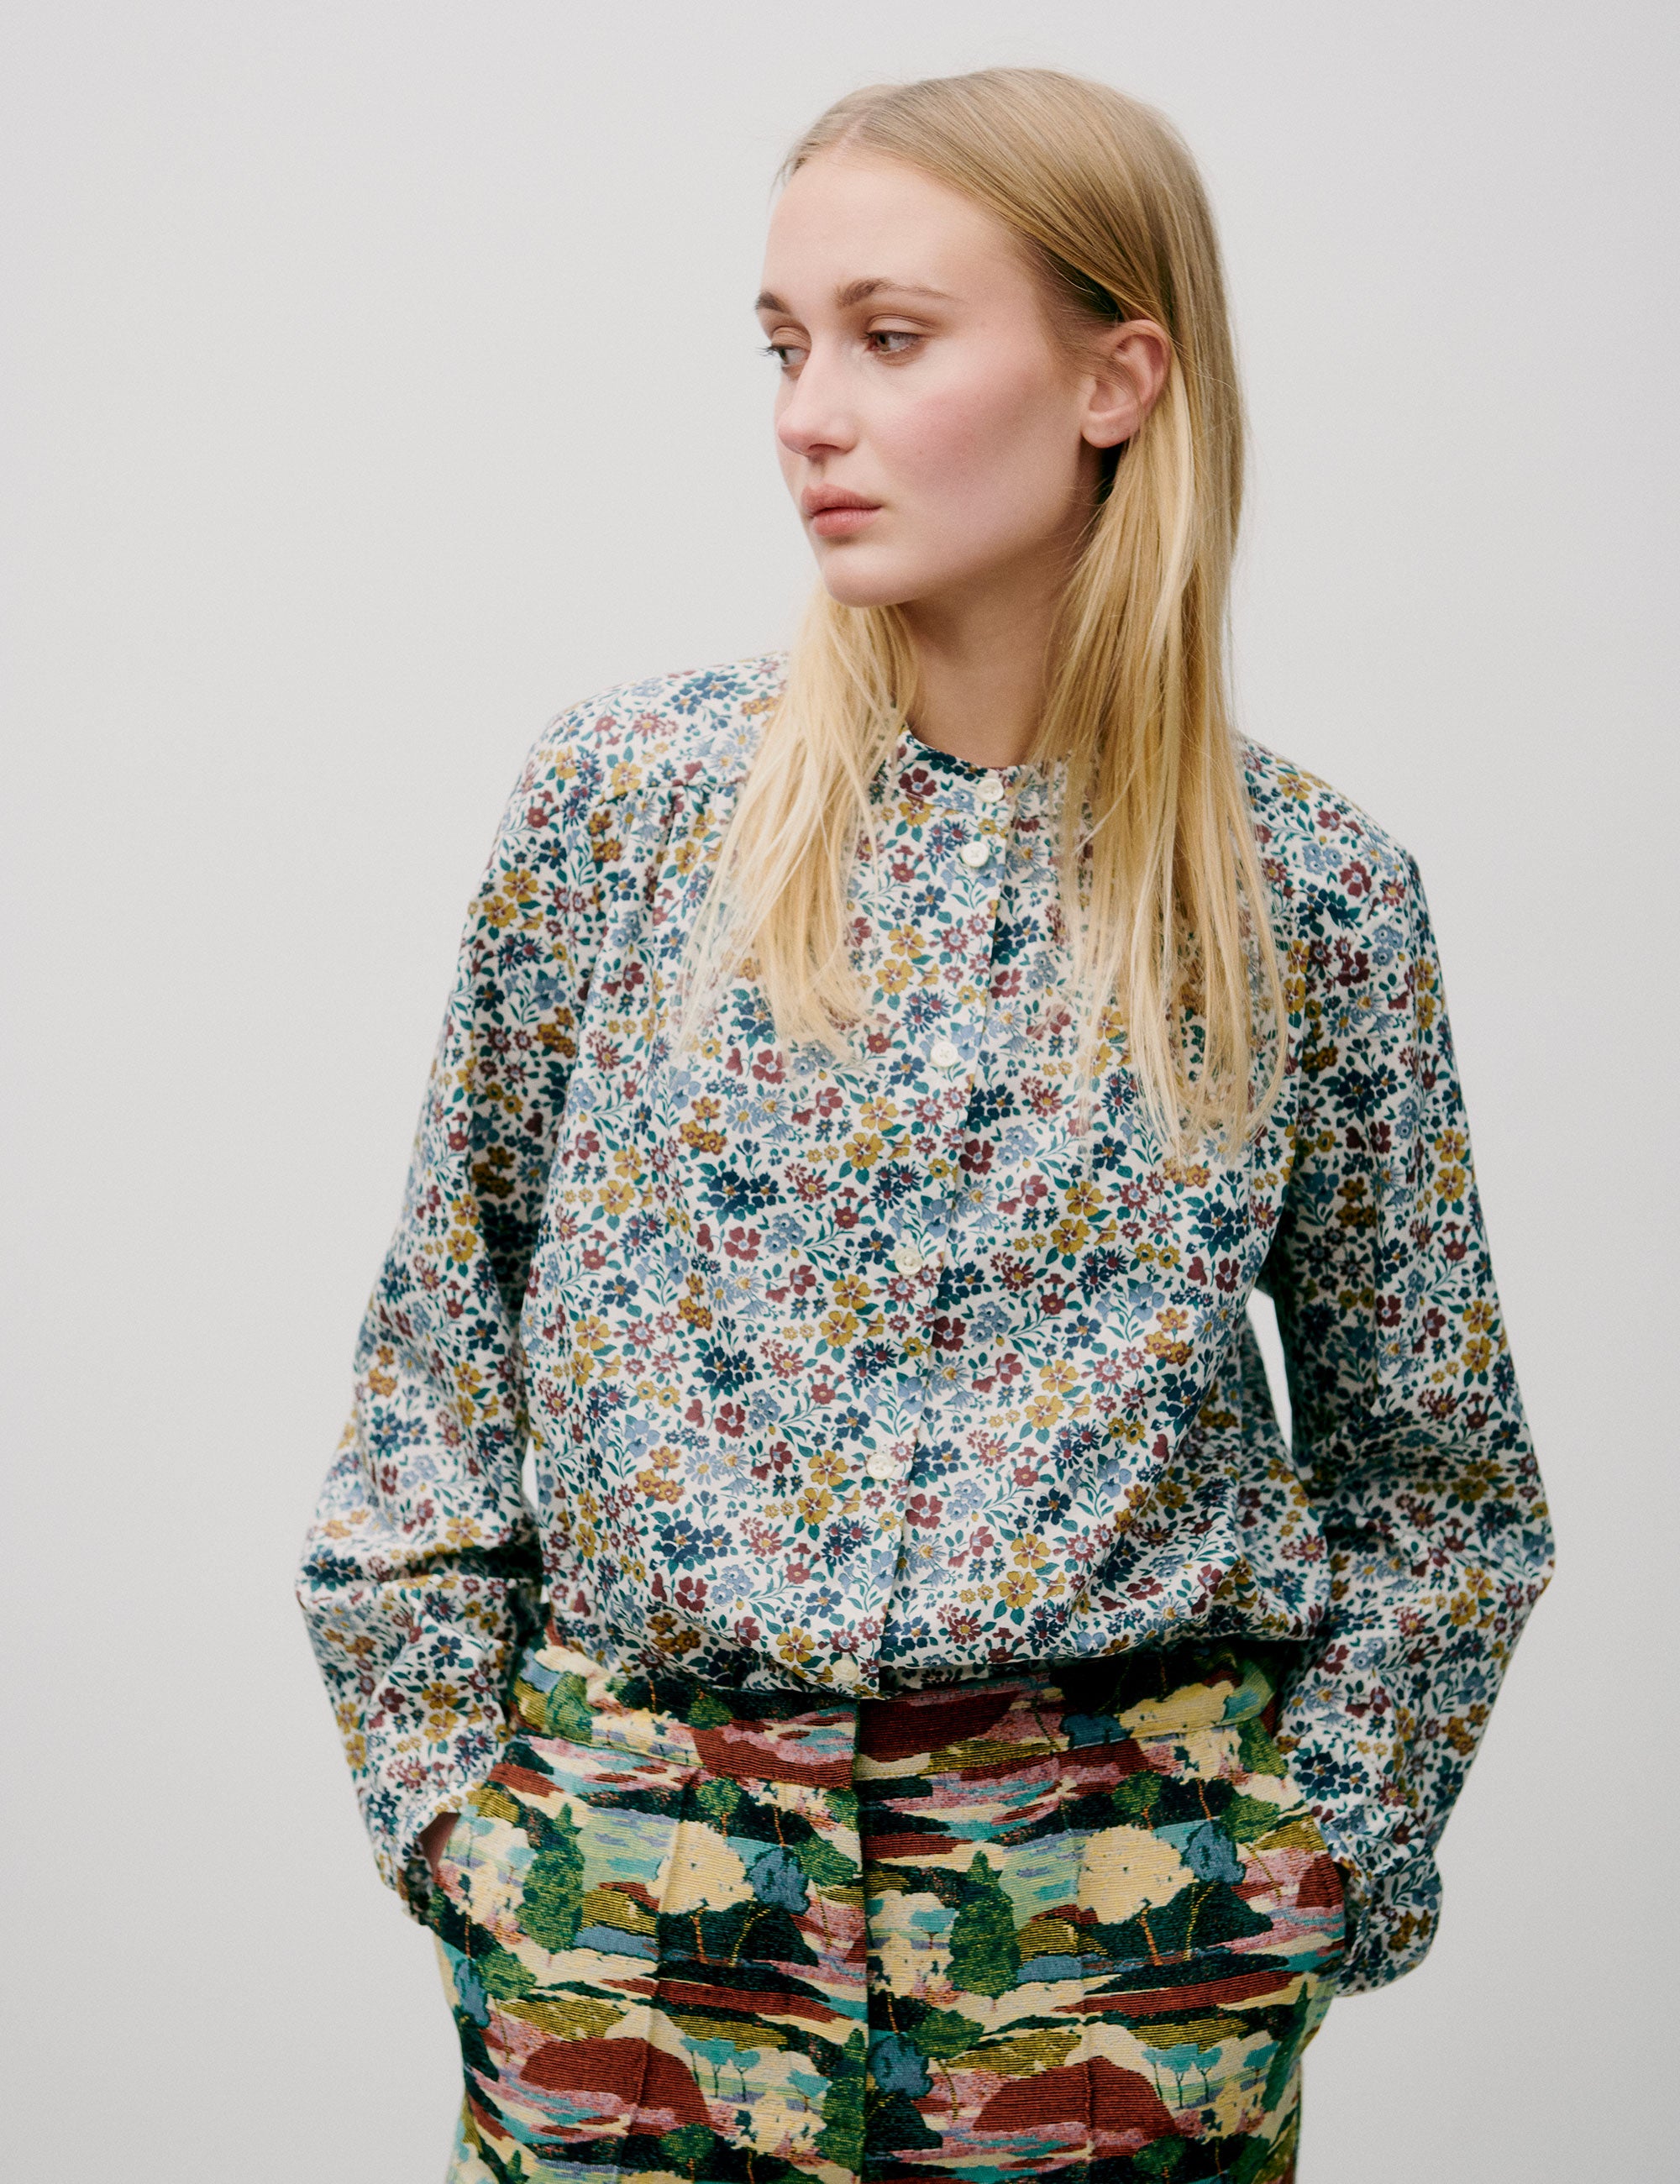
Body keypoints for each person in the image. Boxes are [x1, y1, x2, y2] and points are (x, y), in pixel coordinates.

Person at [297, 66, 1552, 2183]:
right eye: (783, 346)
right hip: (628, 1921)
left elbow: (1436, 1488)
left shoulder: (1309, 898)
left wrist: (1305, 1878)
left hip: (1114, 1962)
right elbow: (438, 1365)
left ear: (1114, 377)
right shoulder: (625, 813)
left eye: (888, 336)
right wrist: (465, 1826)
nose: (805, 412)